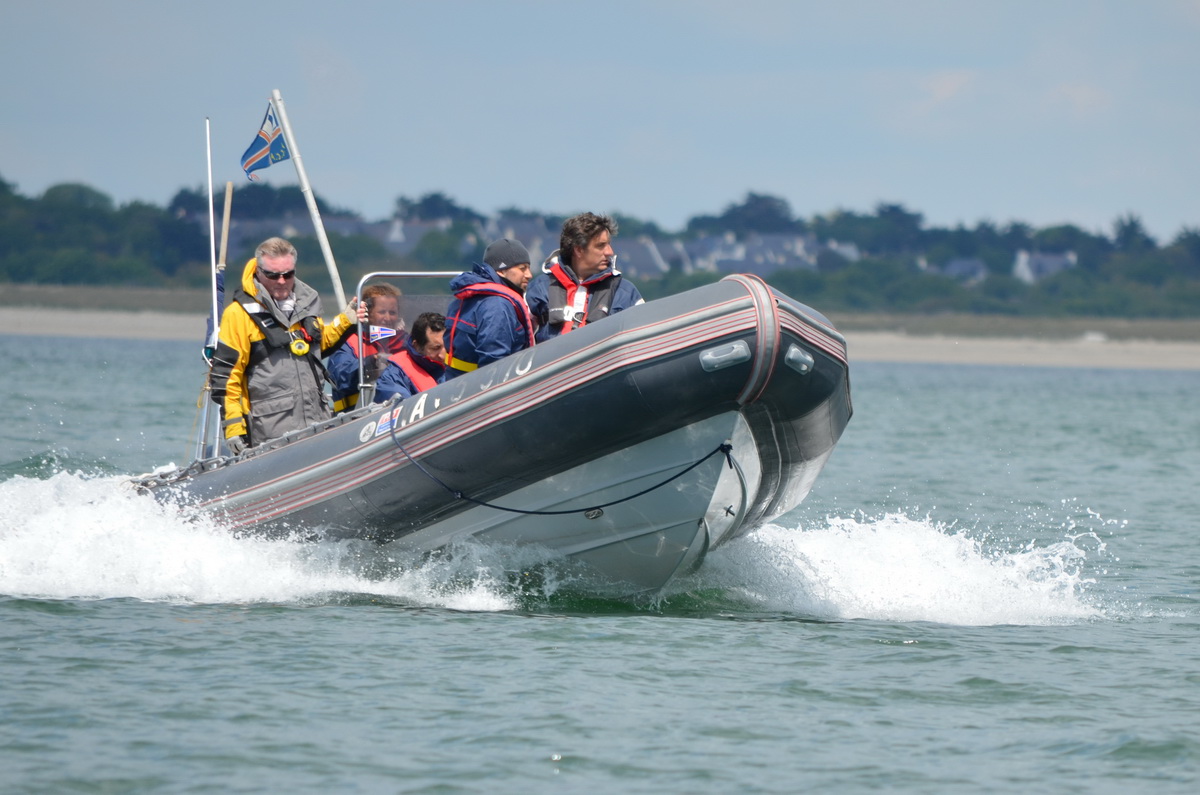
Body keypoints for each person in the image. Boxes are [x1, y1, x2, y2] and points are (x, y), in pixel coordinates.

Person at [209, 237, 367, 454]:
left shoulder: (306, 303)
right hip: (270, 430)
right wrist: (234, 427)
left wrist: (346, 321)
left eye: (288, 274)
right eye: (273, 275)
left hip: (316, 420)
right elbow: (227, 377)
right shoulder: (238, 314)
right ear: (258, 272)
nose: (281, 281)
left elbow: (317, 346)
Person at [526, 212, 644, 342]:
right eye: (601, 245)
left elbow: (642, 340)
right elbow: (518, 341)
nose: (610, 252)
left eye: (609, 244)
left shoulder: (626, 293)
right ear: (579, 250)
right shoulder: (539, 289)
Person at [443, 238, 537, 379]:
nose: (529, 275)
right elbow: (494, 364)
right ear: (502, 271)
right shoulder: (497, 306)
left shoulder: (468, 296)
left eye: (529, 268)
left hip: (455, 382)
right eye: (522, 268)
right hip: (478, 386)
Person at [326, 282, 408, 412]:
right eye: (382, 312)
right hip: (356, 413)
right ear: (368, 314)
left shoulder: (406, 342)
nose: (387, 318)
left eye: (392, 312)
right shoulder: (348, 341)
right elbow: (340, 377)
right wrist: (371, 362)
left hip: (400, 409)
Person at [375, 312, 448, 401]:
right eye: (435, 348)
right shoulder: (393, 377)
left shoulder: (455, 367)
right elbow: (399, 407)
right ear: (416, 346)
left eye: (448, 346)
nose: (443, 355)